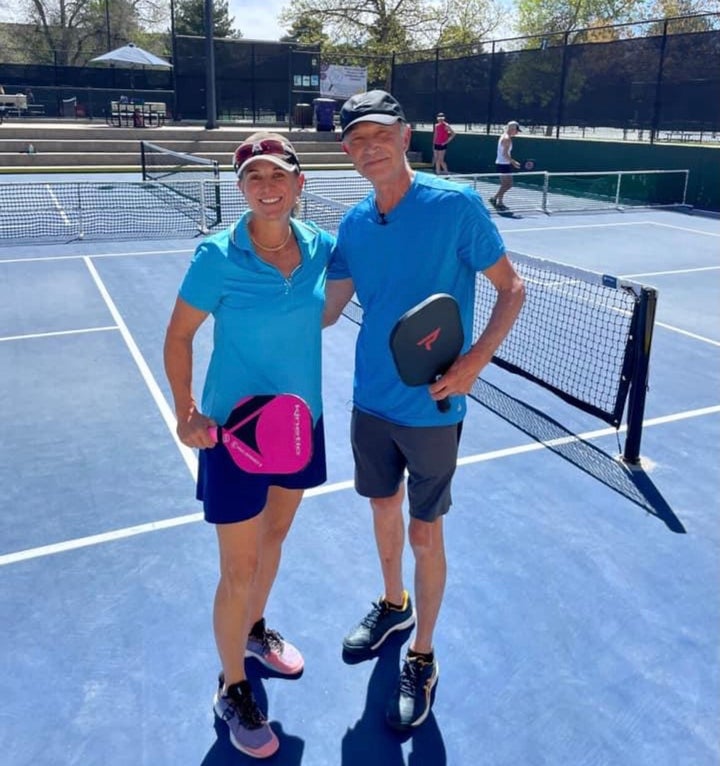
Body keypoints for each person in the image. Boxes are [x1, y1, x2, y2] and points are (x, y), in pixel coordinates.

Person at [324, 90, 525, 731]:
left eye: (379, 133)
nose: (368, 147)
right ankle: (392, 603)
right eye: (355, 139)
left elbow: (511, 289)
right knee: (382, 510)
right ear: (346, 151)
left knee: (424, 531)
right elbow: (325, 309)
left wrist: (472, 365)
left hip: (434, 407)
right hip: (370, 400)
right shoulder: (354, 223)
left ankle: (423, 654)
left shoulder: (457, 205)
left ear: (405, 135)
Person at [163, 132, 334, 759]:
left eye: (278, 175)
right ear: (241, 188)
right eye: (254, 177)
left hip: (299, 425)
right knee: (237, 568)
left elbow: (365, 281)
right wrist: (186, 410)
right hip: (234, 436)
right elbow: (179, 335)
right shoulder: (216, 255)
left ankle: (255, 632)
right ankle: (231, 685)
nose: (267, 187)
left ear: (299, 184)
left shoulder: (322, 249)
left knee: (274, 540)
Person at [489, 120, 522, 211]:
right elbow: (505, 154)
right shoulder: (506, 139)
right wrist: (514, 162)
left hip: (503, 163)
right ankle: (496, 199)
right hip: (503, 164)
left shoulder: (505, 136)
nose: (517, 133)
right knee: (508, 184)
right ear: (512, 129)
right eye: (516, 130)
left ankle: (498, 201)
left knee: (505, 184)